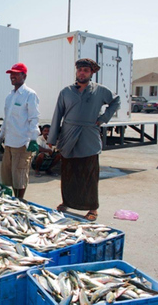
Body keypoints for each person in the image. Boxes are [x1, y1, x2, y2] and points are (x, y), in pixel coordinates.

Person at [47, 58, 121, 221]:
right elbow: (57, 114)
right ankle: (67, 202)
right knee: (68, 173)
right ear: (76, 71)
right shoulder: (66, 92)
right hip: (68, 135)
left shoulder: (100, 91)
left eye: (86, 70)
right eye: (80, 70)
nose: (82, 73)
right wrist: (52, 138)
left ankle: (92, 207)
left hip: (89, 136)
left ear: (91, 73)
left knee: (89, 173)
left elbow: (116, 101)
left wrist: (103, 118)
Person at [0, 63, 40, 201]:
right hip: (9, 142)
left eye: (16, 73)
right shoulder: (10, 96)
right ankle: (15, 200)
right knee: (10, 176)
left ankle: (20, 201)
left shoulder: (30, 95)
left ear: (24, 76)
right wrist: (0, 138)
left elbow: (34, 118)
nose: (12, 76)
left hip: (22, 143)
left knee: (20, 175)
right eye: (11, 74)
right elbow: (6, 120)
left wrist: (33, 139)